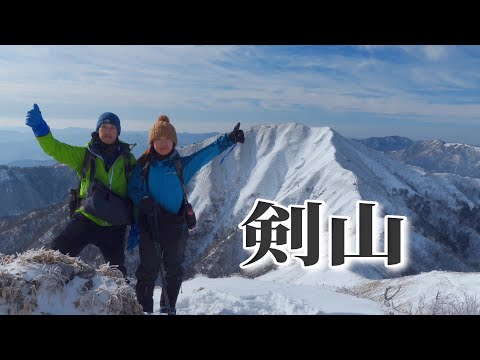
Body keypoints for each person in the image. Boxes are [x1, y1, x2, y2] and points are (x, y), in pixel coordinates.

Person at [128, 115, 244, 314]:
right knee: (147, 272)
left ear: (173, 142)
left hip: (176, 227)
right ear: (152, 143)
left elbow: (206, 154)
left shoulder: (181, 165)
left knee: (173, 271)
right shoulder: (144, 167)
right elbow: (133, 189)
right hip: (151, 226)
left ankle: (168, 308)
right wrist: (143, 199)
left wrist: (229, 138)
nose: (162, 144)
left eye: (166, 140)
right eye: (158, 140)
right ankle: (144, 311)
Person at [25, 103, 136, 278]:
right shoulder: (86, 154)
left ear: (118, 132)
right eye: (104, 127)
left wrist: (138, 219)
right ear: (97, 131)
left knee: (118, 275)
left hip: (115, 226)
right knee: (55, 255)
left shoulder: (129, 159)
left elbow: (137, 189)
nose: (108, 131)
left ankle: (123, 303)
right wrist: (41, 130)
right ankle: (39, 287)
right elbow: (56, 149)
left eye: (112, 127)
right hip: (87, 219)